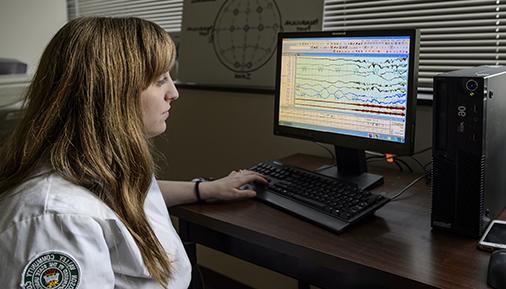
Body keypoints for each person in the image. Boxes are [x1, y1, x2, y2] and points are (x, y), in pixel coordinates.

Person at [0, 16, 267, 289]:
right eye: (160, 79)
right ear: (111, 92)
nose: (173, 92)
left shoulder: (99, 160)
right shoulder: (55, 221)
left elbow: (127, 194)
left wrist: (206, 189)